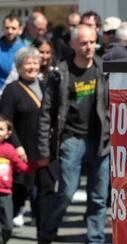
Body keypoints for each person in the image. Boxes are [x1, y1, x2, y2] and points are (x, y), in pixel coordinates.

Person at [37, 24, 110, 244]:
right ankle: (46, 232)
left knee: (98, 196)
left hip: (100, 140)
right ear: (73, 44)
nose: (89, 47)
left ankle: (95, 239)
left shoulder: (103, 68)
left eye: (91, 42)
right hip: (71, 138)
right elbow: (46, 112)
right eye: (84, 43)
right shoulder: (61, 72)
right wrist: (43, 148)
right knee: (67, 192)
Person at [0, 46, 54, 235]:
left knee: (46, 193)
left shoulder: (46, 86)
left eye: (35, 62)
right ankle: (4, 231)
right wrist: (17, 146)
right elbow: (6, 122)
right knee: (19, 192)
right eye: (27, 63)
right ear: (19, 66)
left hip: (44, 151)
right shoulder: (11, 90)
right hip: (22, 152)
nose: (32, 66)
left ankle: (44, 236)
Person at [0, 115, 42, 244]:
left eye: (1, 129)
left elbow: (23, 167)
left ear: (8, 134)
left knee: (7, 226)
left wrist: (38, 164)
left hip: (5, 194)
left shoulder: (9, 150)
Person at [0, 13, 24, 92]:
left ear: (20, 30)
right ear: (3, 29)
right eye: (7, 28)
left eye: (13, 28)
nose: (10, 31)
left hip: (17, 92)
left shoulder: (24, 50)